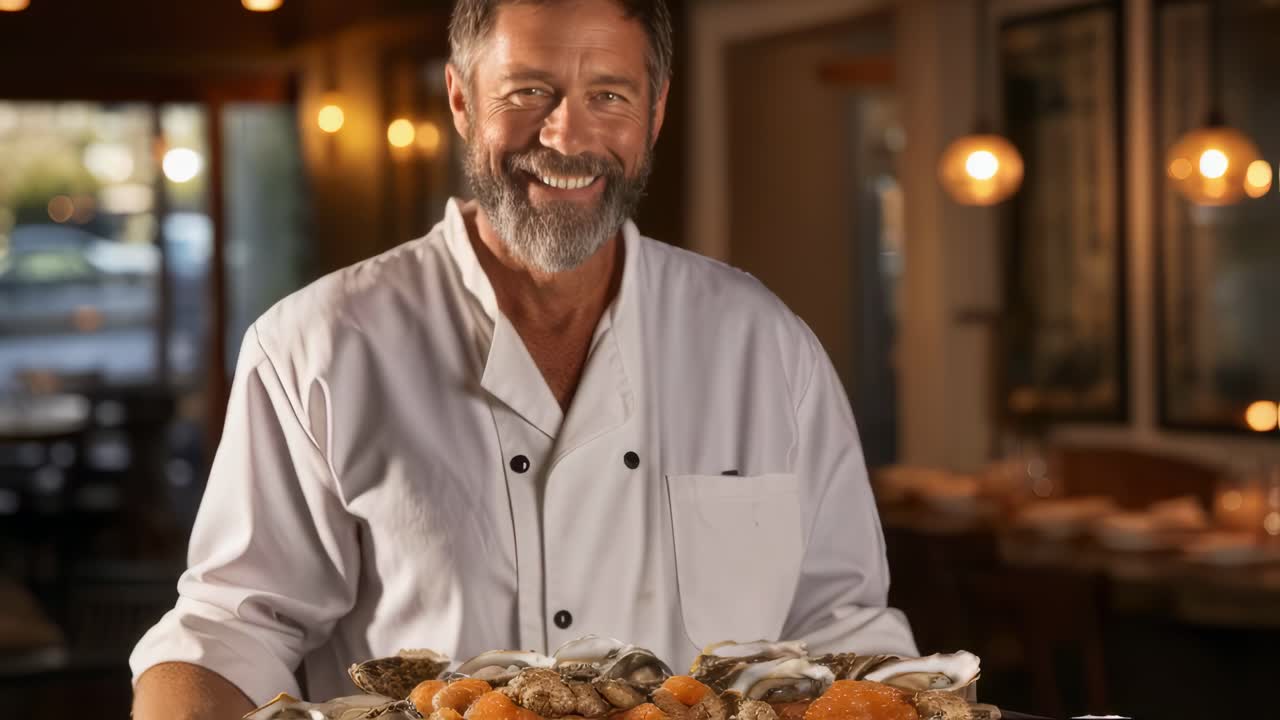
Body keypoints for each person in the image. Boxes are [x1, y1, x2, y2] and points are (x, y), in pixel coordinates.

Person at [129, 0, 917, 717]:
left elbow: (843, 627)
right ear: (462, 101)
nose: (567, 137)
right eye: (528, 91)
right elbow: (235, 625)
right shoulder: (316, 343)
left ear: (656, 111)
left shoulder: (764, 344)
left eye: (608, 95)